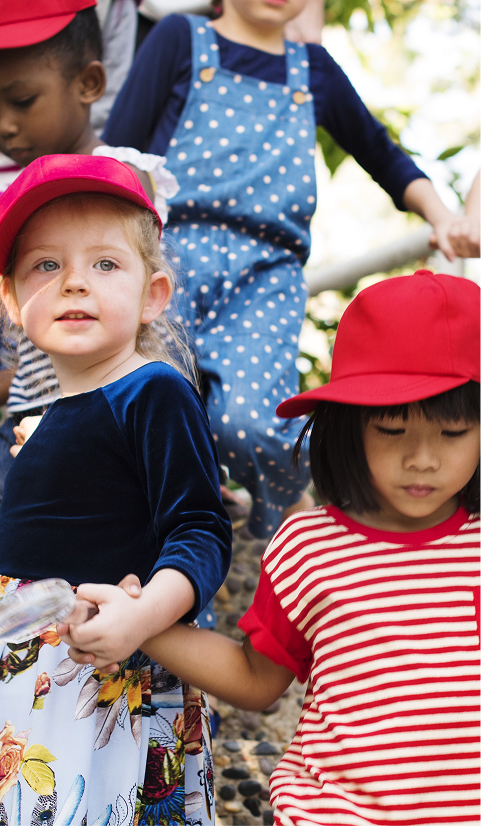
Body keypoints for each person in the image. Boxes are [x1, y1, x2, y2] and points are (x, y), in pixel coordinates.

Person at [67, 270, 480, 824]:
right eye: (391, 428)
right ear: (349, 425)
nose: (422, 459)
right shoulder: (311, 548)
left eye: (453, 432)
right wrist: (140, 624)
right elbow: (256, 678)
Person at [103, 0, 468, 541]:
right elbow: (116, 151)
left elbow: (379, 151)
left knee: (251, 423)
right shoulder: (181, 38)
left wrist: (442, 216)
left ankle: (297, 517)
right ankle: (175, 565)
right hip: (168, 260)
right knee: (156, 420)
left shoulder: (312, 69)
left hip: (265, 273)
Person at [0, 154, 231, 825]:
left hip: (99, 678)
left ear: (153, 294)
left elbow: (199, 528)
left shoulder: (151, 390)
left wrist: (143, 615)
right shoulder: (35, 419)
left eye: (104, 264)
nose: (74, 281)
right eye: (46, 265)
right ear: (12, 301)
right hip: (26, 675)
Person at [0, 0, 179, 498]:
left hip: (117, 409)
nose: (4, 124)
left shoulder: (126, 176)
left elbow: (151, 301)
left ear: (89, 83)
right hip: (31, 413)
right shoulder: (10, 195)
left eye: (22, 101)